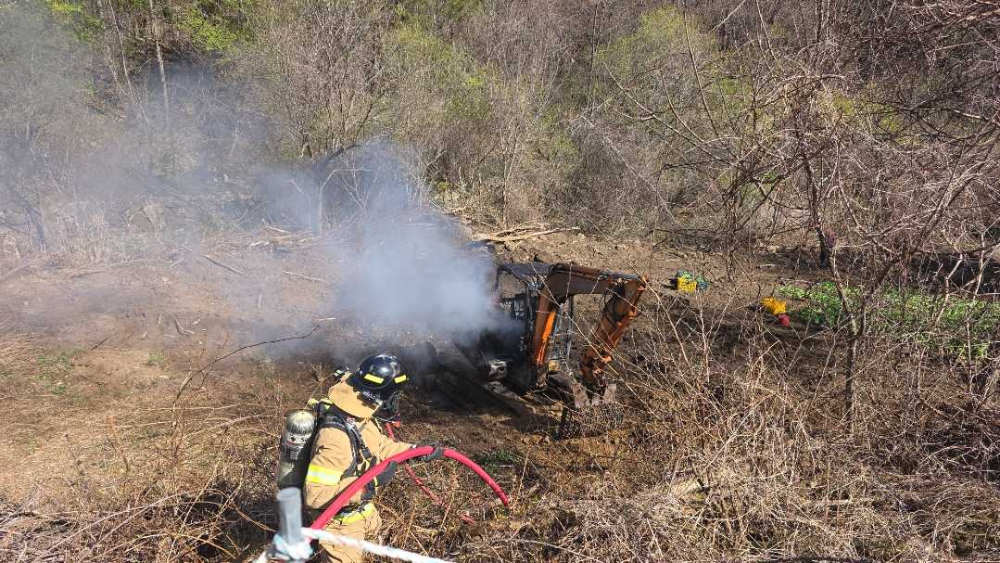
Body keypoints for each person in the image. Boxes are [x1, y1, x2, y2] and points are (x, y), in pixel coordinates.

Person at [303, 353, 443, 563]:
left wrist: (417, 450)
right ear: (380, 398)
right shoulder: (336, 439)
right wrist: (369, 483)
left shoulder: (357, 416)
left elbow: (379, 446)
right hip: (340, 527)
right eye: (394, 397)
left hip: (363, 513)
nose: (397, 403)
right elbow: (315, 496)